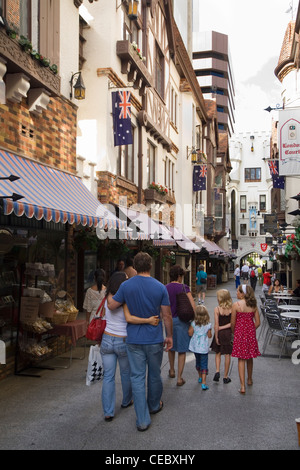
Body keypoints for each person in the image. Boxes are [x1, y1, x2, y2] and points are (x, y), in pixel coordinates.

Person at [107, 252, 173, 432]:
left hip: (134, 339)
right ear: (150, 266)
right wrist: (169, 336)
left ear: (135, 267)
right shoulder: (160, 287)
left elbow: (112, 305)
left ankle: (142, 420)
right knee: (154, 374)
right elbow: (166, 315)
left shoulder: (126, 286)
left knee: (136, 377)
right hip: (154, 339)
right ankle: (153, 405)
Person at [101, 272, 159, 422]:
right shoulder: (125, 299)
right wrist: (148, 320)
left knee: (108, 377)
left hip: (107, 338)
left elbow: (107, 310)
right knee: (126, 374)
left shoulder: (108, 297)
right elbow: (129, 318)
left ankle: (108, 411)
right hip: (122, 339)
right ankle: (126, 400)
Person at [166, 265, 195, 386]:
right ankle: (179, 378)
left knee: (170, 346)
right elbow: (193, 306)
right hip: (182, 321)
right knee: (182, 350)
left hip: (169, 320)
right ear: (179, 276)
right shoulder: (184, 288)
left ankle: (172, 370)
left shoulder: (165, 288)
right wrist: (193, 323)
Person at [231, 284, 261, 394]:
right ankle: (249, 379)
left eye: (238, 291)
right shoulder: (253, 305)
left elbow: (233, 322)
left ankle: (242, 386)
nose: (236, 293)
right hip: (250, 334)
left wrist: (235, 332)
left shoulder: (236, 305)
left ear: (243, 293)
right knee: (250, 357)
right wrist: (250, 330)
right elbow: (258, 322)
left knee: (241, 359)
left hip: (239, 334)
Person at [210, 289, 233, 384]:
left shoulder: (217, 309)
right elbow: (232, 323)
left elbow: (216, 324)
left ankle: (217, 371)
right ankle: (225, 376)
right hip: (228, 334)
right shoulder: (232, 308)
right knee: (227, 354)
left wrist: (216, 335)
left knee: (218, 353)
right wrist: (223, 327)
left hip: (219, 333)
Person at [188, 305, 212, 390]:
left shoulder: (193, 323)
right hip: (204, 348)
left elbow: (190, 333)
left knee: (198, 362)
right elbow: (209, 336)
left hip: (195, 347)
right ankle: (204, 383)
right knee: (204, 364)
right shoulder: (208, 324)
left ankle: (200, 376)